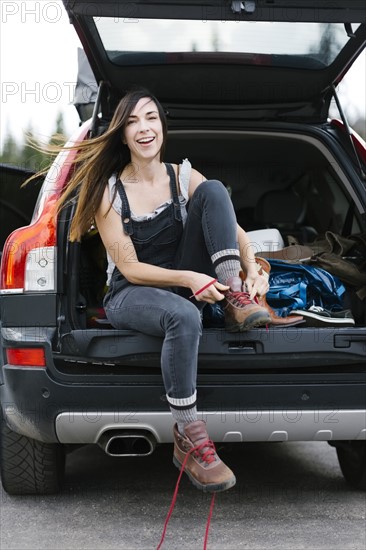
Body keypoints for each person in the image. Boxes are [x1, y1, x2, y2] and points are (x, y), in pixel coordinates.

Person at [57, 87, 271, 494]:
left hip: (189, 281)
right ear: (122, 135)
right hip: (131, 292)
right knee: (183, 314)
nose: (144, 128)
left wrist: (253, 270)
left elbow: (237, 232)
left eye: (151, 117)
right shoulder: (109, 193)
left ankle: (235, 302)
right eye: (133, 121)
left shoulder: (183, 176)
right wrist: (190, 280)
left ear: (162, 127)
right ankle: (189, 434)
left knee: (214, 190)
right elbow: (131, 268)